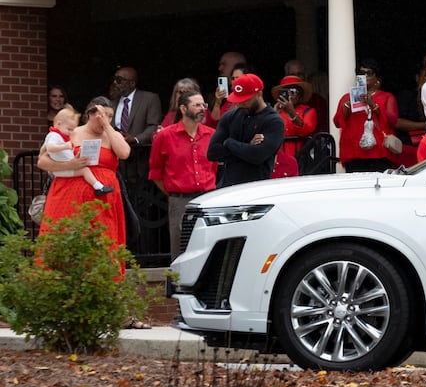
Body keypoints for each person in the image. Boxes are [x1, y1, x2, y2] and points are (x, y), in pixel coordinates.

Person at [37, 98, 131, 286]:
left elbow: (124, 153)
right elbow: (42, 161)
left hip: (103, 201)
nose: (106, 120)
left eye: (110, 116)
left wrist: (107, 126)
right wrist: (68, 164)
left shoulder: (112, 135)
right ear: (90, 114)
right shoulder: (72, 133)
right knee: (65, 242)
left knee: (103, 245)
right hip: (69, 196)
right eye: (103, 116)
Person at [148, 91, 217, 259]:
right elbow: (155, 172)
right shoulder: (165, 136)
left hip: (208, 198)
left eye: (203, 105)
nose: (202, 109)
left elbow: (214, 167)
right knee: (181, 247)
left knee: (209, 245)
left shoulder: (211, 134)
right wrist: (174, 193)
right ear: (183, 109)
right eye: (197, 105)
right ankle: (179, 284)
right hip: (180, 200)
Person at [207, 74, 286, 187]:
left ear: (259, 94)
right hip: (228, 186)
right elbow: (212, 152)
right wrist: (247, 146)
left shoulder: (274, 121)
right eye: (238, 100)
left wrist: (229, 142)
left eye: (246, 100)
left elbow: (258, 156)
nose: (241, 103)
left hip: (256, 188)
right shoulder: (230, 117)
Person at [332, 60, 402, 174]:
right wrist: (347, 104)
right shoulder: (346, 97)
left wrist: (373, 105)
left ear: (377, 78)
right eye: (361, 73)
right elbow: (337, 122)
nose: (365, 77)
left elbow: (392, 121)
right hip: (354, 152)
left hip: (379, 152)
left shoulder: (387, 97)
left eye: (369, 73)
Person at [43, 105, 111, 195]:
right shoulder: (54, 136)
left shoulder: (61, 136)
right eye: (69, 129)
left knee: (84, 169)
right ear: (58, 124)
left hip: (65, 168)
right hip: (61, 171)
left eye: (73, 129)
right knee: (85, 170)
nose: (72, 132)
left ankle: (98, 186)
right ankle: (98, 187)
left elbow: (43, 150)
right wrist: (65, 146)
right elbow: (50, 148)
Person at [270, 74, 318, 177]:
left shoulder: (308, 111)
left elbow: (307, 129)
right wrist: (273, 113)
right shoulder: (275, 111)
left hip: (300, 159)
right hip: (277, 160)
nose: (291, 95)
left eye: (294, 92)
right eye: (286, 92)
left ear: (300, 94)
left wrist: (292, 113)